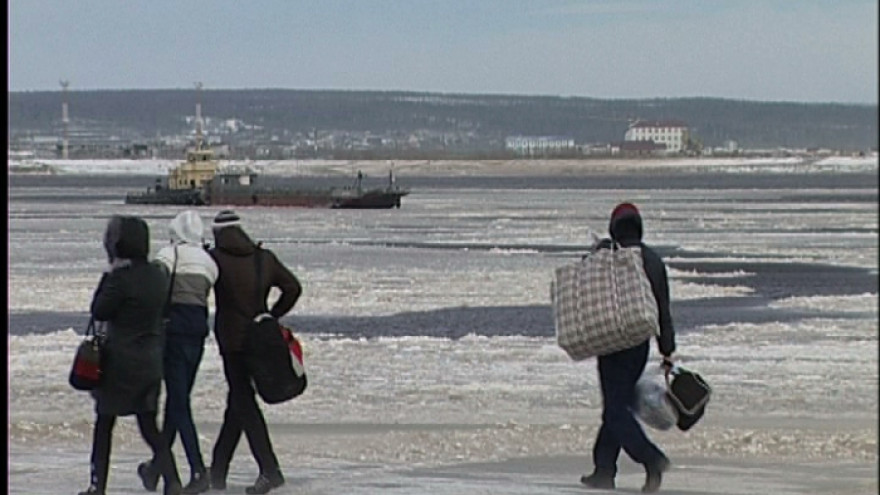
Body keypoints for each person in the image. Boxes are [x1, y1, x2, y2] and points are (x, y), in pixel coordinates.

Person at [79, 215, 182, 495]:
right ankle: (172, 482)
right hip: (150, 361)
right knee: (150, 427)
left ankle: (97, 486)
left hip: (118, 363)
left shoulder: (119, 279)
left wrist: (107, 277)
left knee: (105, 424)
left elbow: (100, 310)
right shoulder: (159, 275)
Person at [580, 203, 676, 493]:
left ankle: (651, 458)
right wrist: (667, 350)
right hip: (638, 346)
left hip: (610, 344)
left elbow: (584, 279)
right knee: (618, 406)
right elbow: (662, 311)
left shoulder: (606, 258)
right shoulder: (653, 261)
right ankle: (604, 470)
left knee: (614, 410)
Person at [207, 210, 302, 494]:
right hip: (262, 341)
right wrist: (272, 315)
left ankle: (270, 470)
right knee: (238, 405)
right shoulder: (264, 258)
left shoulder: (215, 259)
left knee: (244, 405)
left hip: (233, 343)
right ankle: (218, 472)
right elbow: (293, 288)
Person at [137, 211, 219, 494]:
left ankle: (198, 469)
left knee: (179, 403)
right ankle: (156, 469)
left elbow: (153, 288)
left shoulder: (167, 255)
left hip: (171, 334)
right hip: (197, 334)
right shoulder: (209, 262)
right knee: (178, 400)